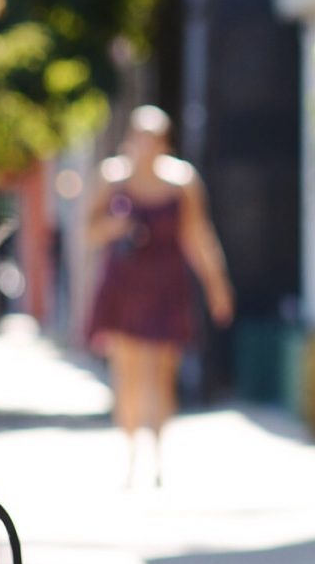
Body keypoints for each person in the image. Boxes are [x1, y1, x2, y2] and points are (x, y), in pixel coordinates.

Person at [86, 105, 234, 486]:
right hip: (124, 287)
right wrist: (116, 227)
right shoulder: (112, 177)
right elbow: (88, 232)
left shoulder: (182, 181)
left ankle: (157, 457)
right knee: (128, 373)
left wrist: (217, 287)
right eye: (141, 137)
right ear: (132, 139)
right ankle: (131, 453)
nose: (147, 146)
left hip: (166, 288)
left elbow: (198, 236)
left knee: (161, 374)